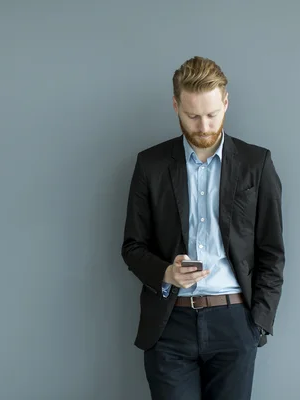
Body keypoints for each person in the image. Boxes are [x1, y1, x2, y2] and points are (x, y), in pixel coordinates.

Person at [121, 56, 285, 400]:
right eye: (192, 115)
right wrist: (167, 273)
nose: (204, 125)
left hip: (235, 322)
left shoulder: (258, 164)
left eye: (212, 114)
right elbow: (133, 246)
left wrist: (258, 323)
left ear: (225, 102)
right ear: (176, 105)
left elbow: (271, 251)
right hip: (170, 325)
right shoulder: (150, 165)